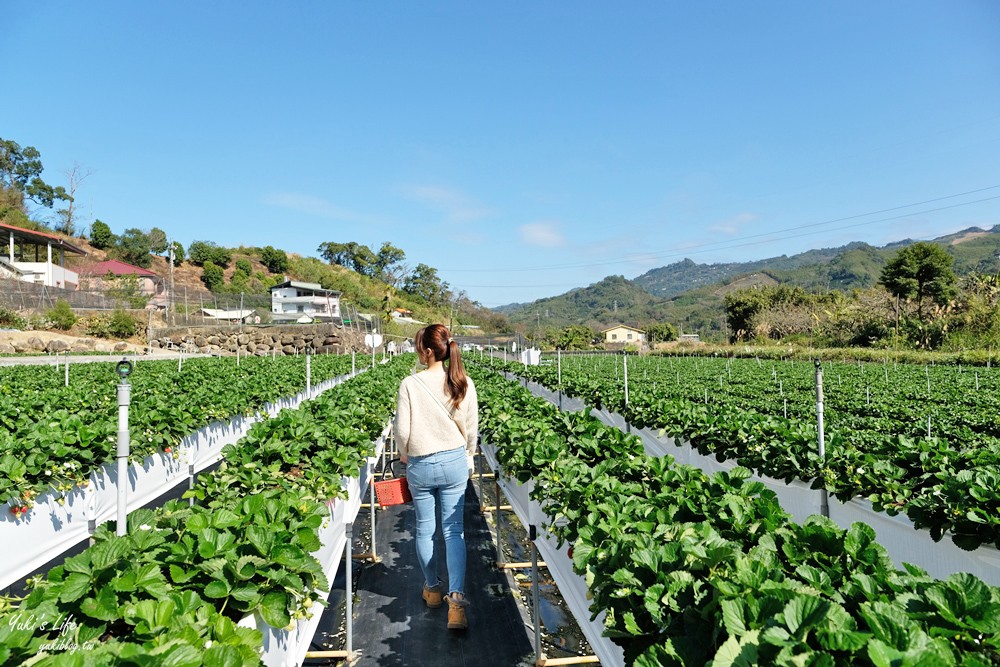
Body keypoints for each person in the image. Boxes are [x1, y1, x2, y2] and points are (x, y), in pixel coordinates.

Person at [395, 324, 479, 631]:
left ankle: (432, 590)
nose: (417, 351)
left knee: (425, 528)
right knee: (454, 531)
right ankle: (456, 603)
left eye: (419, 346)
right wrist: (467, 456)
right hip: (454, 460)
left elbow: (403, 432)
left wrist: (405, 453)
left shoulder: (410, 384)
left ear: (429, 351)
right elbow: (471, 429)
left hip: (421, 463)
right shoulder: (462, 382)